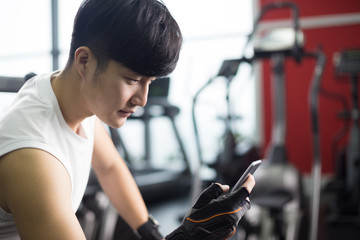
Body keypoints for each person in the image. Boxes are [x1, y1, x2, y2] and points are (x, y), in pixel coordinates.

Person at [0, 0, 255, 239]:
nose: (142, 100)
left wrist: (151, 232)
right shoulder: (34, 157)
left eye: (150, 82)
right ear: (84, 61)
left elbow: (110, 167)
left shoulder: (68, 96)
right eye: (132, 80)